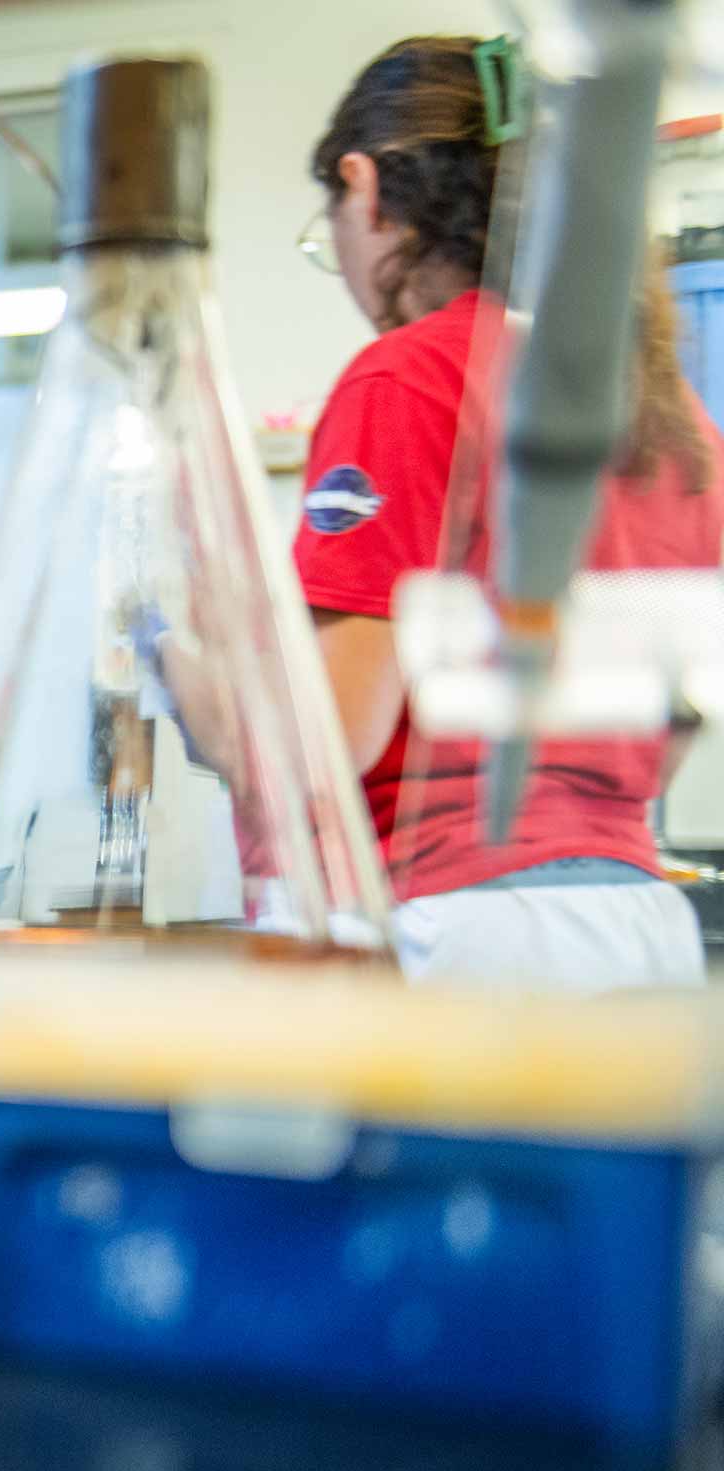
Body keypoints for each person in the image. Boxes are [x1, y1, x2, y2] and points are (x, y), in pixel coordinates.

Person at [297, 35, 724, 988]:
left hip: (462, 928)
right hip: (638, 925)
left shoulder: (404, 379)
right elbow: (665, 740)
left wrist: (197, 670)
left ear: (365, 187)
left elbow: (334, 740)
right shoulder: (676, 418)